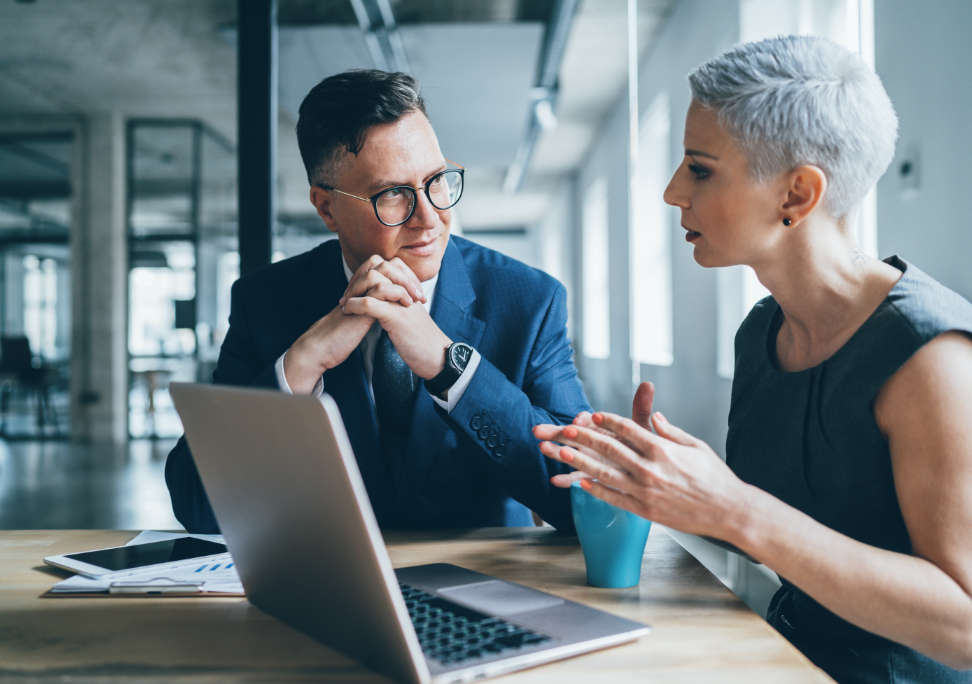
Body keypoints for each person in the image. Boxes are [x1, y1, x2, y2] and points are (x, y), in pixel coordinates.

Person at [534, 36, 972, 684]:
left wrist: (732, 506)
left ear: (797, 194)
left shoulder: (931, 357)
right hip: (781, 658)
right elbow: (780, 541)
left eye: (700, 168)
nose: (672, 191)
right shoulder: (761, 333)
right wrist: (657, 482)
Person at [166, 69, 589, 534]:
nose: (430, 218)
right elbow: (197, 504)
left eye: (437, 180)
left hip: (485, 583)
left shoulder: (530, 300)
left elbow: (580, 497)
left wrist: (452, 368)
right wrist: (302, 364)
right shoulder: (264, 302)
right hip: (331, 585)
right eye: (393, 195)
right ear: (326, 208)